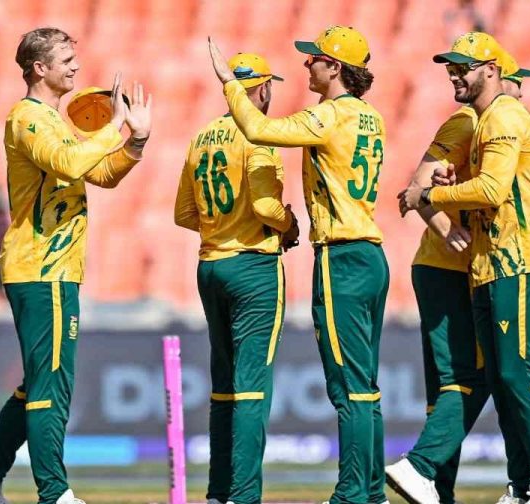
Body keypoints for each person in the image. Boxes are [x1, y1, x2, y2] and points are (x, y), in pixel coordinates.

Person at [0, 27, 152, 504]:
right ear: (39, 68)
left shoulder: (56, 120)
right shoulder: (27, 117)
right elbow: (67, 163)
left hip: (54, 267)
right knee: (51, 385)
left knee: (38, 384)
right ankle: (54, 493)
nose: (76, 68)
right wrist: (112, 126)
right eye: (66, 59)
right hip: (41, 265)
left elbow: (99, 173)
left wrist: (136, 143)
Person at [209, 25, 389, 504]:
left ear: (335, 67)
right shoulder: (371, 116)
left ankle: (352, 496)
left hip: (342, 257)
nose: (306, 64)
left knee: (348, 389)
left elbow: (258, 128)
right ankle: (371, 493)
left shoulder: (328, 115)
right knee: (366, 388)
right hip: (372, 256)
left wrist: (229, 82)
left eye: (314, 59)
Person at [400, 32, 530, 504]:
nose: (453, 73)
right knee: (504, 379)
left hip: (522, 261)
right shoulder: (483, 120)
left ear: (490, 70)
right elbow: (486, 192)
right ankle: (523, 485)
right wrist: (448, 192)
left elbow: (492, 190)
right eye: (451, 66)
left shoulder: (504, 116)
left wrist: (431, 196)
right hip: (492, 265)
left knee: (517, 376)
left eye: (463, 66)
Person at [175, 52, 299, 504]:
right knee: (251, 386)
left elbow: (184, 213)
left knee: (224, 384)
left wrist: (221, 227)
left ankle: (217, 491)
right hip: (253, 267)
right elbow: (267, 208)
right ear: (263, 89)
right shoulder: (259, 136)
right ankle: (244, 495)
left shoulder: (202, 136)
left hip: (210, 265)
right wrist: (288, 224)